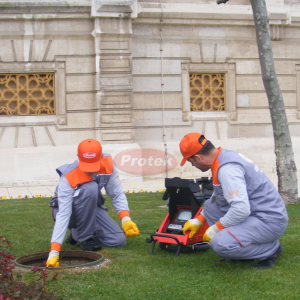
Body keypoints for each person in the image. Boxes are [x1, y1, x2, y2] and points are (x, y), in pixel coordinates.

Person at [180, 132, 288, 269]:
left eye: (191, 161)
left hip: (269, 221)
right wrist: (199, 220)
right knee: (211, 206)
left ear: (198, 158)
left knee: (220, 244)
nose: (193, 165)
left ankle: (271, 250)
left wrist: (215, 229)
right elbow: (218, 197)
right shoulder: (222, 158)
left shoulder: (227, 169)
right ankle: (240, 251)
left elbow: (241, 209)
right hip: (258, 214)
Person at [46, 139, 140, 267]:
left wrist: (125, 219)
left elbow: (116, 193)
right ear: (78, 158)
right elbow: (63, 214)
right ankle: (84, 237)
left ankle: (76, 234)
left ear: (100, 157)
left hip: (91, 208)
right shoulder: (68, 175)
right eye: (86, 166)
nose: (90, 171)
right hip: (66, 212)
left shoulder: (108, 164)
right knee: (90, 188)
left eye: (93, 165)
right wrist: (54, 252)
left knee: (118, 240)